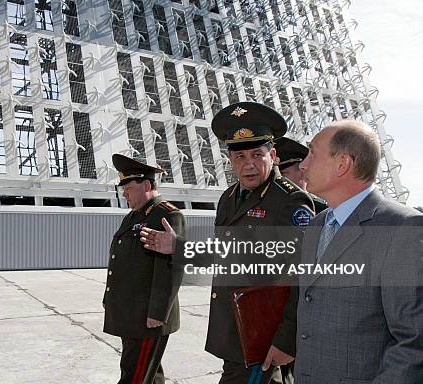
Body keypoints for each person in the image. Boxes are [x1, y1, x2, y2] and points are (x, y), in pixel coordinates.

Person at [141, 102, 314, 383]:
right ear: (230, 160)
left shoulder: (290, 201)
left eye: (257, 155)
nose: (248, 164)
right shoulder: (230, 197)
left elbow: (301, 276)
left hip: (264, 334)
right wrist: (179, 247)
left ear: (273, 156)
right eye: (240, 156)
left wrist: (287, 339)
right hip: (235, 329)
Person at [295, 120, 423, 383]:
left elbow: (414, 340)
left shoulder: (400, 227)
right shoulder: (317, 225)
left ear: (343, 164)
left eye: (312, 153)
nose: (303, 165)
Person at [103, 153, 186, 384]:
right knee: (149, 373)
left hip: (147, 318)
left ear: (147, 185)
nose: (124, 193)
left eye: (128, 188)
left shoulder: (167, 215)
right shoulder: (134, 215)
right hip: (131, 314)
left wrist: (157, 313)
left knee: (134, 376)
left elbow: (171, 269)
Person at [274, 137, 328, 214]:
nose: (277, 178)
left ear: (302, 172)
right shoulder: (270, 205)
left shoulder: (321, 209)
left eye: (282, 173)